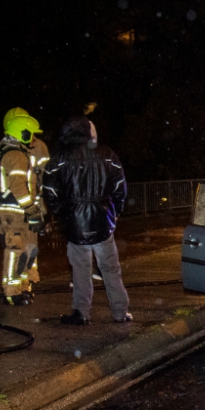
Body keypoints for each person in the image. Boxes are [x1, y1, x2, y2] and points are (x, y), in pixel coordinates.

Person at [42, 116, 131, 325]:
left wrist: (62, 213)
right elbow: (120, 187)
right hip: (102, 222)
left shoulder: (60, 157)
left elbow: (49, 191)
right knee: (110, 269)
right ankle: (120, 312)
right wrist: (115, 211)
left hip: (74, 223)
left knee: (80, 269)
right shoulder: (106, 153)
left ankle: (81, 313)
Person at [0, 114, 42, 306]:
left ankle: (20, 288)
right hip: (14, 212)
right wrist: (31, 208)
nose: (34, 139)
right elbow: (19, 187)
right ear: (24, 133)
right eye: (31, 134)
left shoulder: (11, 151)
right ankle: (12, 291)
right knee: (14, 250)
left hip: (13, 211)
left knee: (22, 250)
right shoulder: (17, 155)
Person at [4, 107, 50, 291]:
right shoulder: (13, 152)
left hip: (29, 204)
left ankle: (26, 282)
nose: (33, 138)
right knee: (17, 248)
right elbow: (16, 184)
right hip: (19, 207)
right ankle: (17, 287)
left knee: (28, 247)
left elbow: (45, 176)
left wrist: (42, 208)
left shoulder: (37, 147)